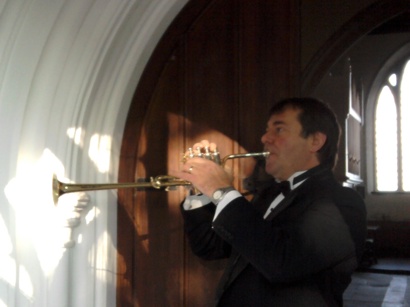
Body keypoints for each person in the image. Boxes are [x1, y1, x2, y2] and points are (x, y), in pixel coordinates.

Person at [172, 97, 367, 306]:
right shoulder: (268, 195)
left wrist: (221, 191)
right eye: (267, 130)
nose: (265, 138)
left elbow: (282, 262)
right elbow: (210, 247)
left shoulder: (343, 202)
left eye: (279, 129)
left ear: (315, 141)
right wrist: (199, 190)